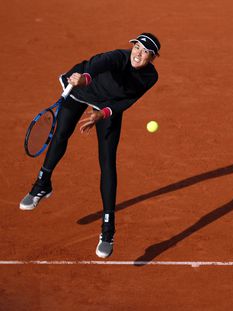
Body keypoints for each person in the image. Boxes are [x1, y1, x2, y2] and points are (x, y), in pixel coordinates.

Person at [19, 33, 161, 258]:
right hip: (82, 90)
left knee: (107, 162)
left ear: (152, 58)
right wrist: (83, 79)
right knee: (60, 134)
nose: (139, 54)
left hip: (107, 106)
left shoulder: (150, 77)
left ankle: (108, 228)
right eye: (137, 48)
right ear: (132, 46)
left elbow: (127, 101)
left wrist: (101, 115)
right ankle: (42, 183)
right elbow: (97, 64)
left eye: (146, 52)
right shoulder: (117, 57)